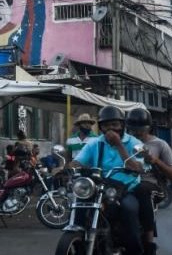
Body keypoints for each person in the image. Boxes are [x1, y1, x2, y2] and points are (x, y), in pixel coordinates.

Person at [69, 106, 145, 255]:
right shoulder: (94, 143)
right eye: (106, 125)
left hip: (126, 189)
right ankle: (77, 240)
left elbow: (137, 167)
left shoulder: (134, 143)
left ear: (122, 125)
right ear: (101, 128)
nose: (111, 129)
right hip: (99, 187)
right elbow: (79, 161)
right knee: (79, 205)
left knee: (129, 209)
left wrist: (119, 144)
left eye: (114, 124)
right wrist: (69, 167)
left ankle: (134, 251)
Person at [126, 108, 172, 255]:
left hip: (151, 186)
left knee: (142, 189)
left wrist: (156, 161)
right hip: (124, 184)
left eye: (141, 130)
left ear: (149, 127)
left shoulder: (160, 144)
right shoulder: (123, 142)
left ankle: (149, 244)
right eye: (133, 130)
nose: (137, 133)